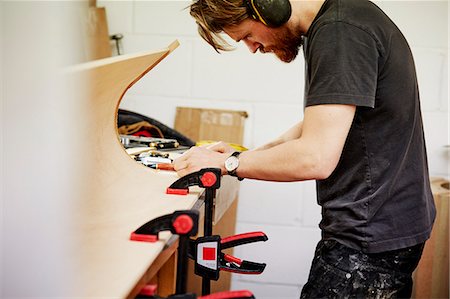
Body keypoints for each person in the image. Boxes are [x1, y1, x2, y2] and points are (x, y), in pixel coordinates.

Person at [174, 0, 436, 297]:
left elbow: (316, 158)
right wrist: (245, 155)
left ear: (266, 6)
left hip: (367, 238)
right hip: (384, 225)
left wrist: (231, 165)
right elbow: (322, 122)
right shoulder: (343, 18)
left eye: (247, 34)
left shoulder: (340, 32)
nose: (252, 47)